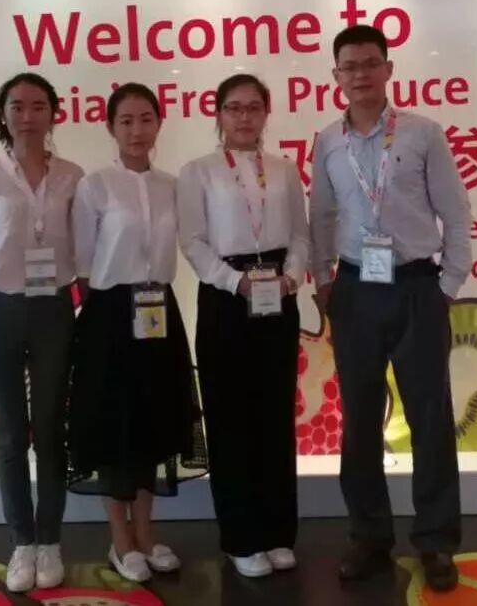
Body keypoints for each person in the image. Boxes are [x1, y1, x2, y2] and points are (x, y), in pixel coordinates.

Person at [309, 25, 472, 592]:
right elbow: (320, 216)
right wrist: (322, 281)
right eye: (349, 66)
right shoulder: (327, 141)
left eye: (370, 63)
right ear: (336, 76)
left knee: (430, 416)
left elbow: (455, 211)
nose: (360, 74)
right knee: (359, 420)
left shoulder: (424, 133)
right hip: (356, 290)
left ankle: (436, 539)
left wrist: (448, 284)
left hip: (417, 287)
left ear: (388, 69)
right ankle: (369, 536)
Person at [69, 83, 206, 583]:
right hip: (109, 314)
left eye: (146, 119)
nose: (136, 130)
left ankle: (146, 533)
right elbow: (84, 266)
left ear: (159, 123)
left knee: (153, 421)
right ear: (110, 126)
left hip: (158, 312)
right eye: (125, 120)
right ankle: (120, 539)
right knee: (114, 425)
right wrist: (105, 312)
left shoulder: (173, 184)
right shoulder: (96, 186)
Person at [177, 74, 309, 579]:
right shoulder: (198, 172)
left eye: (254, 107)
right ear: (219, 114)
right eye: (234, 108)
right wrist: (236, 282)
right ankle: (240, 538)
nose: (244, 117)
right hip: (226, 298)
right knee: (230, 417)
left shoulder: (283, 170)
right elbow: (192, 241)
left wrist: (292, 275)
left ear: (267, 112)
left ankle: (277, 532)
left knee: (274, 415)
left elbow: (300, 234)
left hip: (278, 294)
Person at [0, 73, 82, 593]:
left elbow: (78, 242)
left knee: (51, 429)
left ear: (54, 113)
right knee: (12, 434)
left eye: (38, 106)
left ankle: (51, 540)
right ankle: (22, 541)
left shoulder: (73, 176)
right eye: (17, 106)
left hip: (53, 307)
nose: (28, 116)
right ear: (4, 114)